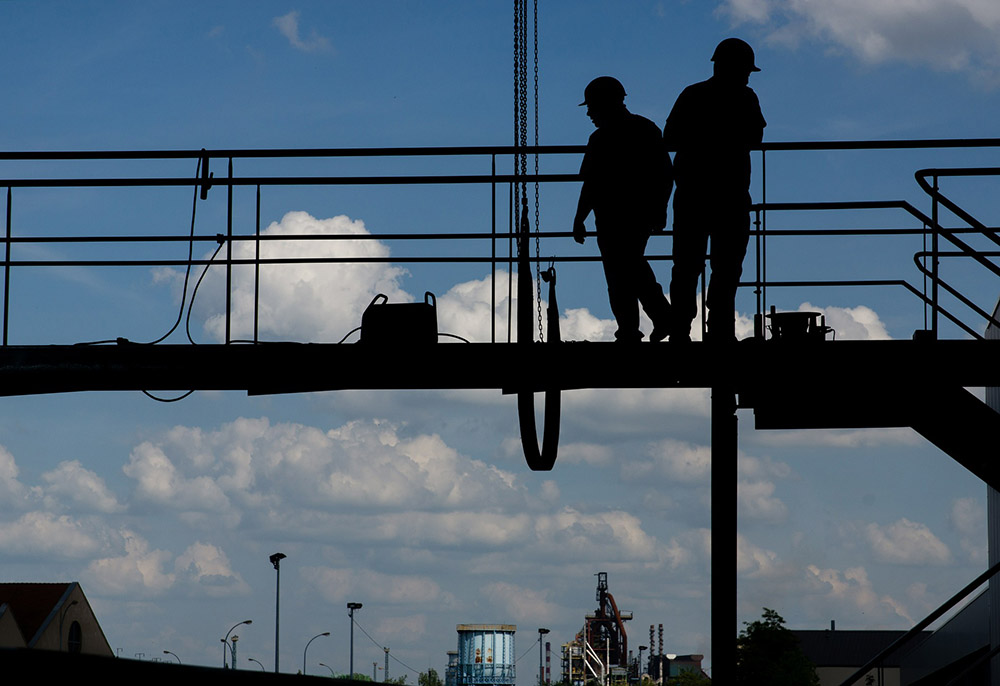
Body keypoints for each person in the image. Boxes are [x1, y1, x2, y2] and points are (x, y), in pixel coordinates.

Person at [663, 37, 766, 342]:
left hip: (694, 194)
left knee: (686, 266)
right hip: (730, 196)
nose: (748, 75)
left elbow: (669, 138)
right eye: (745, 69)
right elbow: (755, 138)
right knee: (727, 266)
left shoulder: (693, 95)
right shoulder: (746, 98)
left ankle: (681, 330)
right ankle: (719, 329)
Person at [573, 76, 674, 343]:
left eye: (592, 106)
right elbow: (665, 174)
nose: (589, 112)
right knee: (630, 268)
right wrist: (660, 210)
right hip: (633, 215)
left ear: (605, 104)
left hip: (613, 217)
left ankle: (637, 327)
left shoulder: (601, 138)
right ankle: (654, 321)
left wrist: (579, 218)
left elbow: (591, 185)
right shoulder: (644, 129)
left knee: (622, 272)